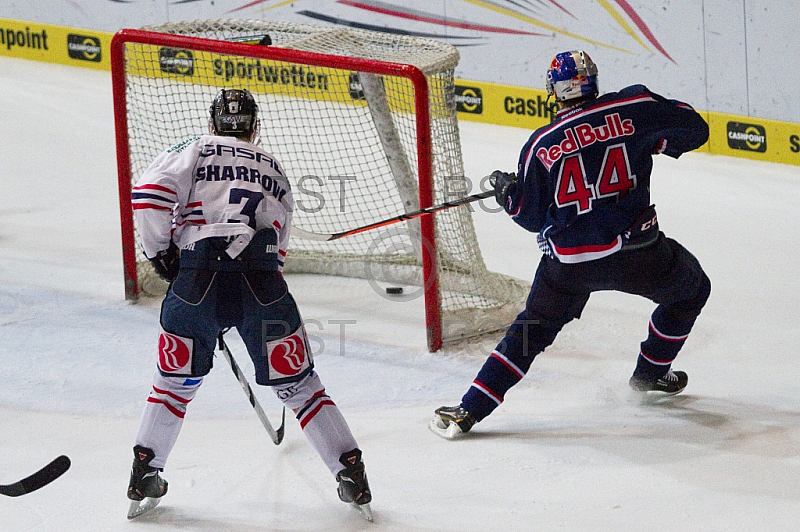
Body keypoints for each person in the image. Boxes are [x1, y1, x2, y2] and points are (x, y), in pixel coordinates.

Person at [431, 50, 711, 439]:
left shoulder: (541, 143)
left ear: (554, 91)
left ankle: (469, 409)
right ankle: (649, 376)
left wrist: (508, 192)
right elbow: (695, 129)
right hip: (637, 254)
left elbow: (529, 216)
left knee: (531, 330)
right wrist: (653, 135)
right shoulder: (634, 105)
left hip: (569, 267)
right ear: (592, 80)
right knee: (692, 289)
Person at [127, 89, 371, 514]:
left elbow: (148, 195)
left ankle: (146, 468)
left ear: (212, 122)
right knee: (300, 386)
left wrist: (163, 255)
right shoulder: (273, 166)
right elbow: (280, 248)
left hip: (196, 281)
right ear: (255, 127)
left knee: (173, 382)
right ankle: (350, 472)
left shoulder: (195, 147)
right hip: (261, 284)